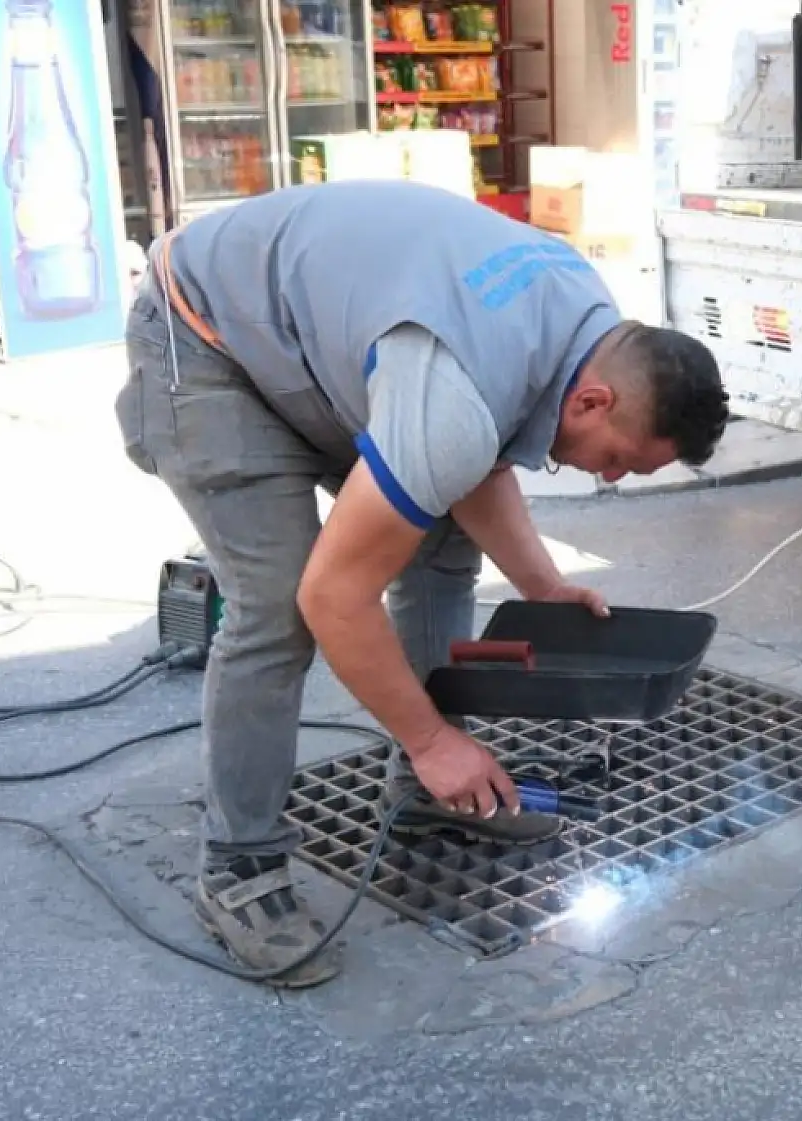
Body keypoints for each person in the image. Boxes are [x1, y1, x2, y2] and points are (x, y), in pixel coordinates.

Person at [114, 179, 729, 987]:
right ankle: (240, 862)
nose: (610, 478)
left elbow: (477, 456)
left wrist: (541, 583)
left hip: (325, 343)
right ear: (593, 397)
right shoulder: (455, 398)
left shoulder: (588, 320)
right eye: (618, 459)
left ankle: (423, 793)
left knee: (438, 541)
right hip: (205, 337)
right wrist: (435, 737)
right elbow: (335, 595)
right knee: (280, 603)